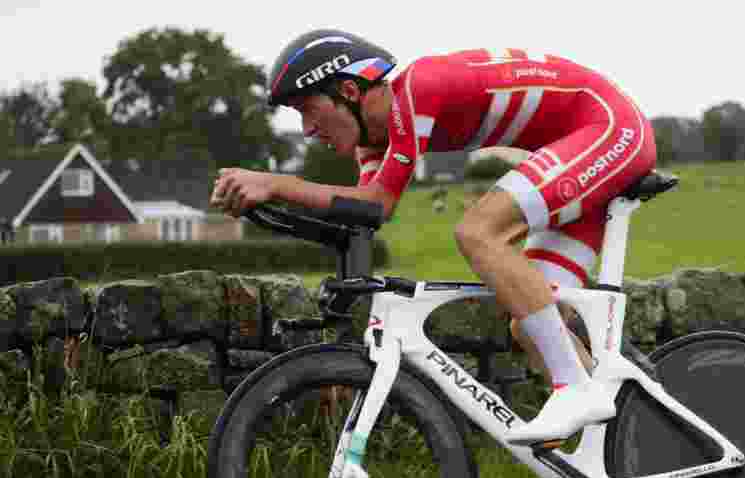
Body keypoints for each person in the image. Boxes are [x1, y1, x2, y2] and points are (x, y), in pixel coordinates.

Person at [211, 29, 657, 445]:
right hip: (579, 146)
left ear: (347, 92)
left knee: (480, 231)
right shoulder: (375, 141)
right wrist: (264, 206)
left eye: (307, 109)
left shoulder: (416, 89)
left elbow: (378, 202)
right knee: (531, 321)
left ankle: (574, 389)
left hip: (609, 128)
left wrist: (274, 184)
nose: (307, 129)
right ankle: (623, 449)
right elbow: (365, 211)